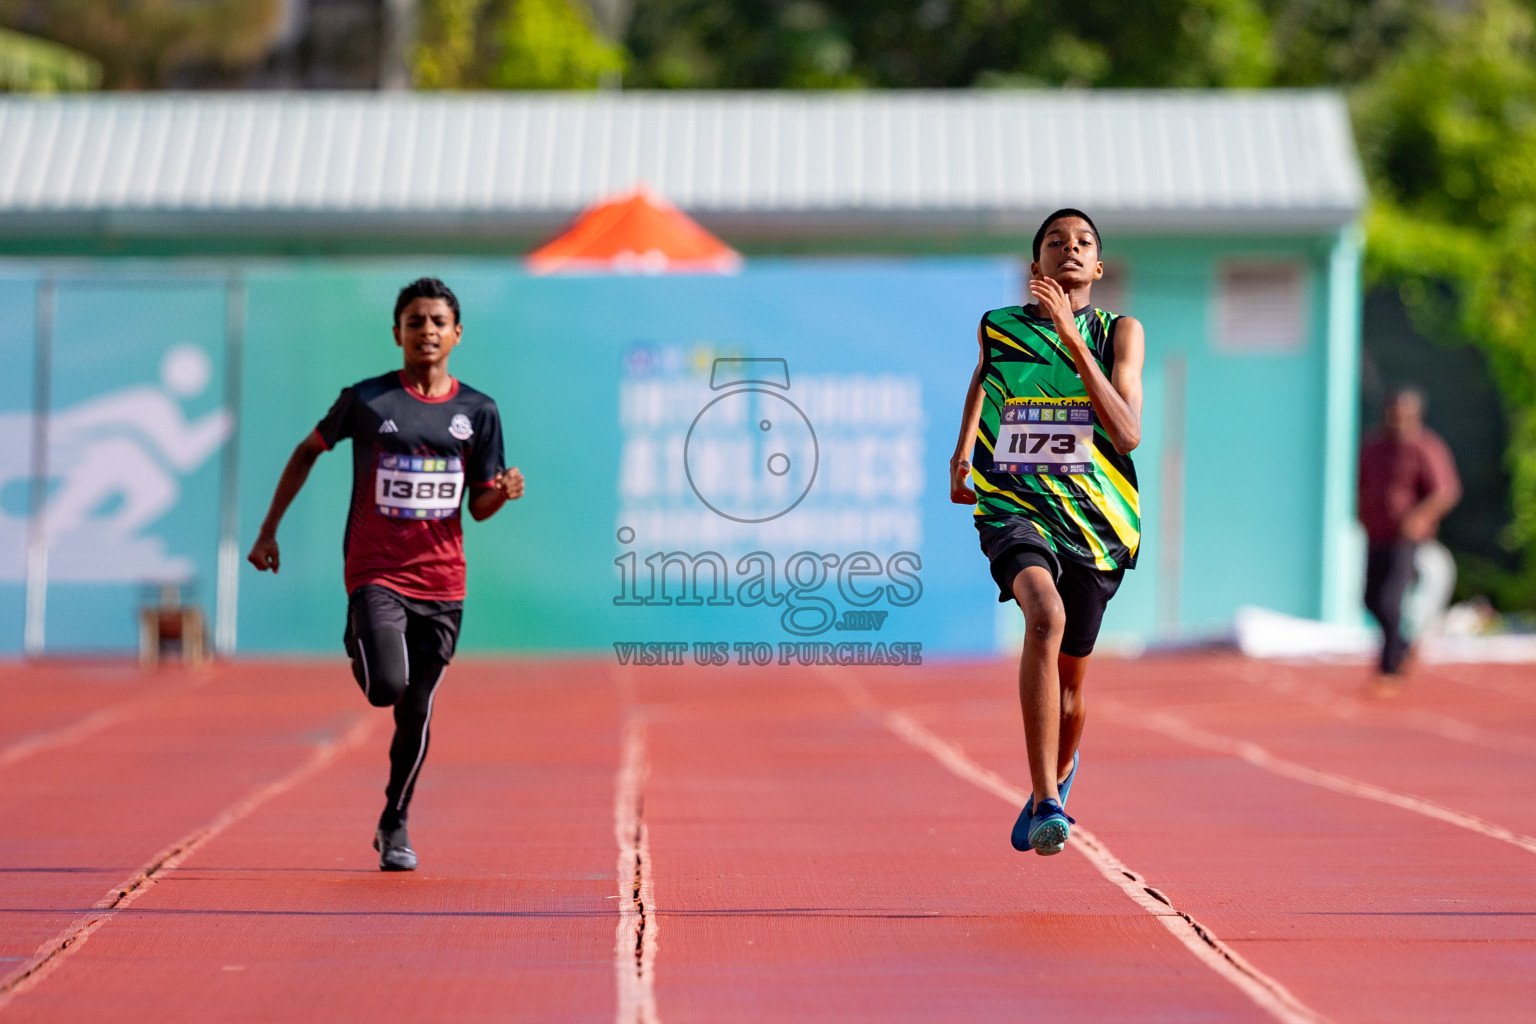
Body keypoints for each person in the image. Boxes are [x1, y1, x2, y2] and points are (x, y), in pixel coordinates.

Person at [247, 277, 525, 871]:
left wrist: (502, 492)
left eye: (437, 322)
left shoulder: (478, 412)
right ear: (397, 331)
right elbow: (307, 450)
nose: (427, 331)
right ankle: (361, 634)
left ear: (457, 333)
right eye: (415, 321)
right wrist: (269, 529)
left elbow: (477, 506)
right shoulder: (369, 401)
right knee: (384, 688)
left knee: (415, 709)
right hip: (376, 573)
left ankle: (394, 820)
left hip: (444, 585)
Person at [949, 209, 1144, 857]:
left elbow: (1127, 431)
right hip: (1014, 499)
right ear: (1036, 266)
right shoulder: (998, 326)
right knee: (1043, 616)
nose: (1069, 249)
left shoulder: (1120, 332)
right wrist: (960, 451)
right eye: (1054, 242)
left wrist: (1070, 334)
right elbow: (987, 375)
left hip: (1095, 519)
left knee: (1071, 687)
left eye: (1082, 243)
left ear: (1097, 267)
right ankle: (1046, 801)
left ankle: (1058, 775)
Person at [1357, 386, 1460, 682]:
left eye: (1404, 415)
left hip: (1406, 539)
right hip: (1376, 533)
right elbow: (1361, 484)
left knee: (1391, 599)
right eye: (1392, 414)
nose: (1397, 421)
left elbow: (1445, 491)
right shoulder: (1373, 447)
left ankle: (1389, 668)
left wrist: (1418, 517)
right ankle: (1402, 645)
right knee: (1369, 599)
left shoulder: (1426, 447)